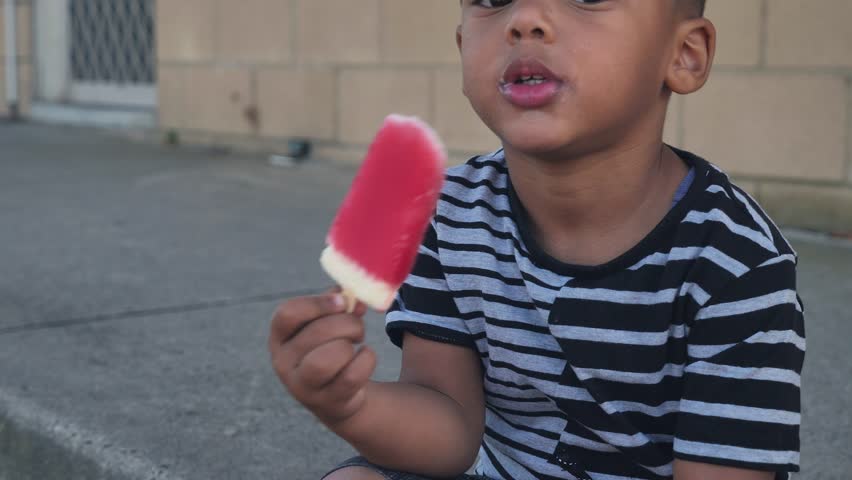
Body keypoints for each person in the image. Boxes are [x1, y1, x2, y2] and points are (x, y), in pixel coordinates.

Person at [268, 1, 805, 479]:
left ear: (683, 54)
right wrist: (352, 406)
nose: (525, 19)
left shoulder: (737, 264)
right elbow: (448, 426)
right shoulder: (448, 211)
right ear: (462, 48)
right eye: (494, 0)